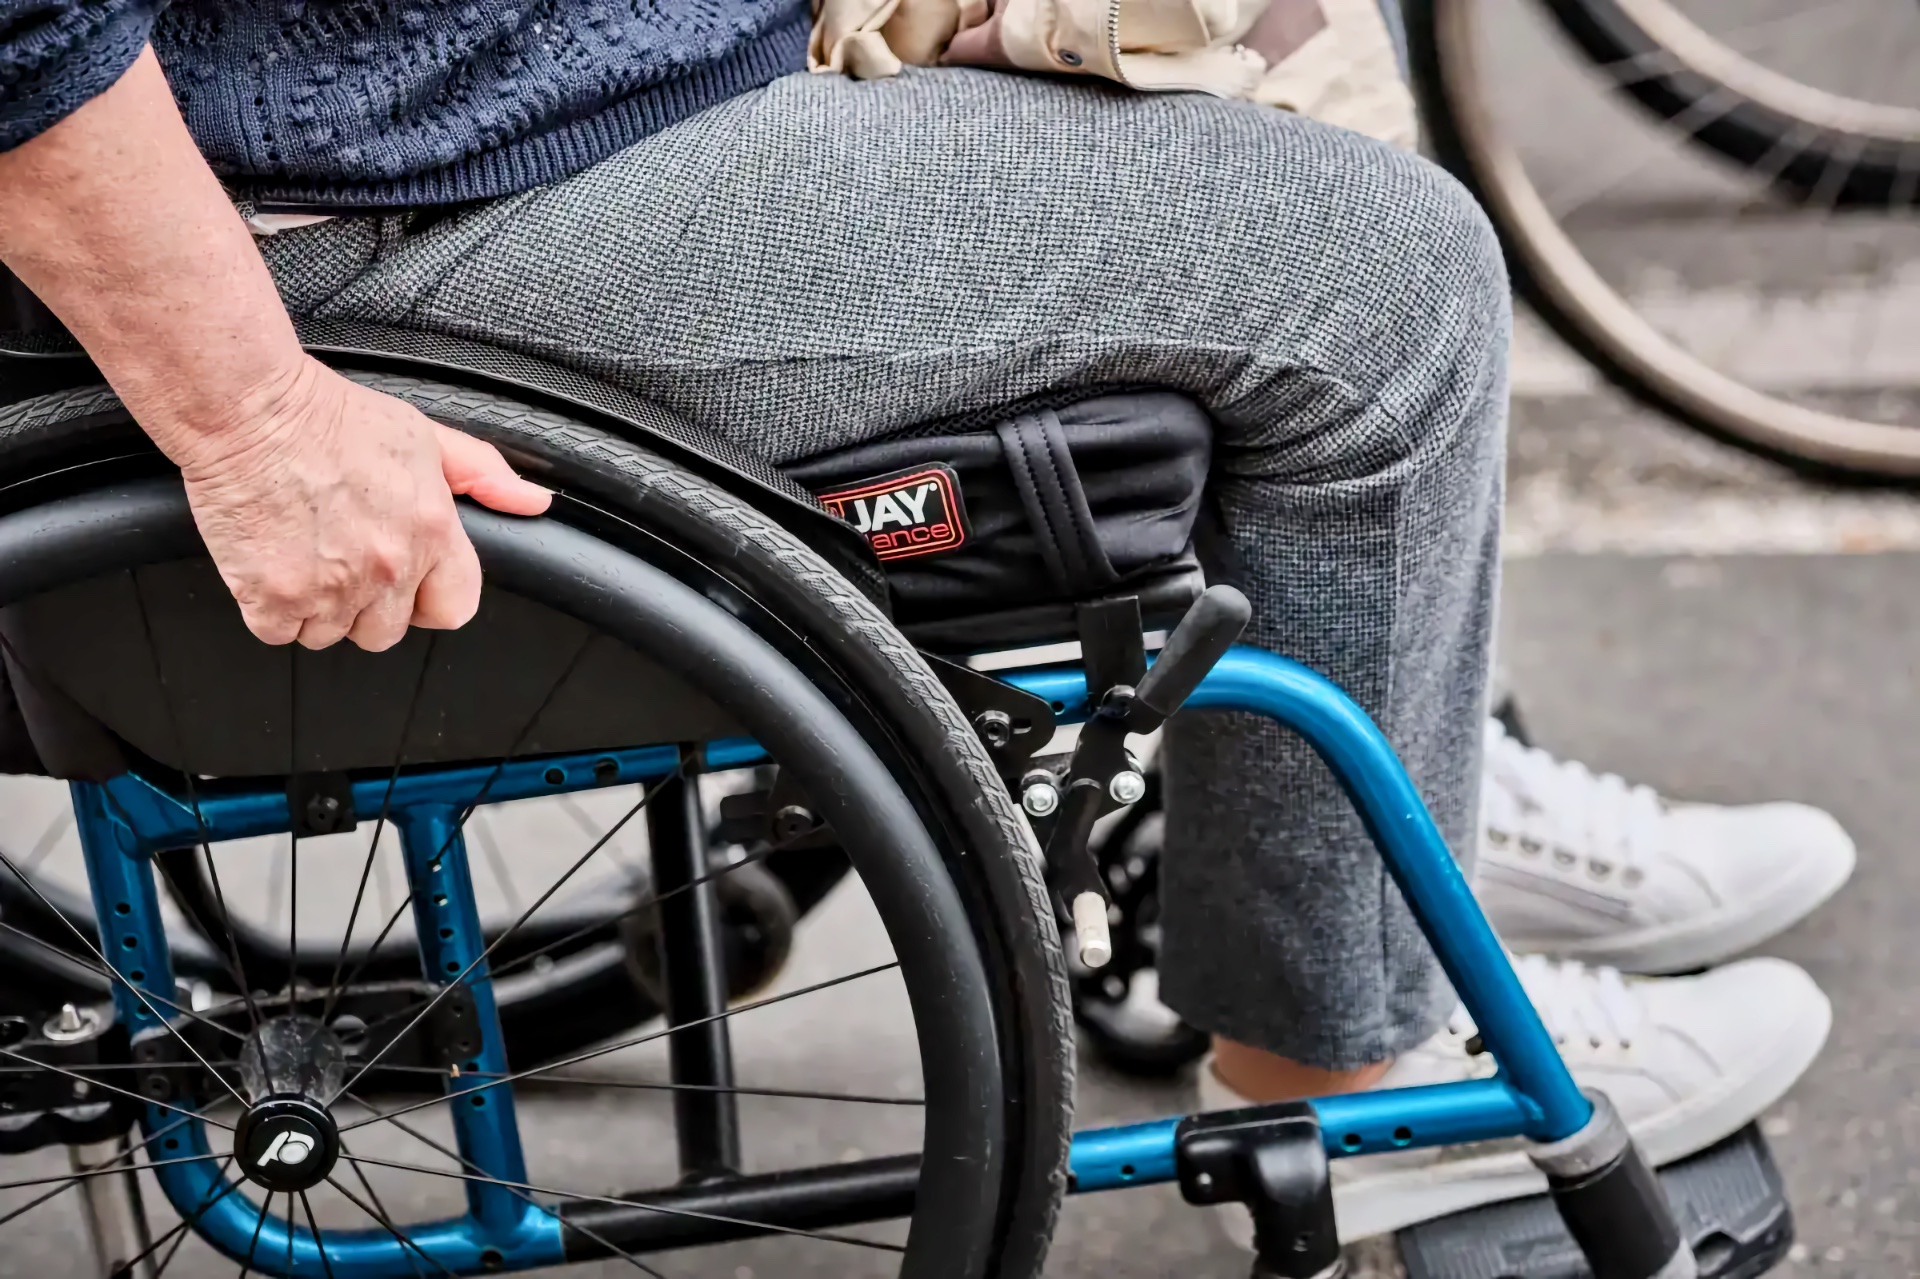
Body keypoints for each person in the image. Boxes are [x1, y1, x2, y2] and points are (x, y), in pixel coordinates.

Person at [0, 0, 1842, 1245]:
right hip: (347, 199)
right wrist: (251, 419)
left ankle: (1410, 787)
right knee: (1378, 285)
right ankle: (1348, 1050)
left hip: (462, 72)